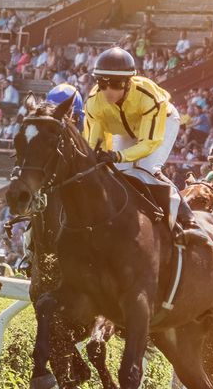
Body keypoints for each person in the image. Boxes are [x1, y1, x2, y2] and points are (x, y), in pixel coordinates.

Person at [80, 47, 200, 243]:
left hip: (162, 124)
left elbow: (147, 144)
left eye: (116, 84)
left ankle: (187, 220)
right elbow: (93, 143)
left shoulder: (148, 95)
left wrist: (118, 156)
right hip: (127, 132)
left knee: (146, 169)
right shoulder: (94, 103)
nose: (108, 91)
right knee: (116, 174)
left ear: (128, 83)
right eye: (102, 83)